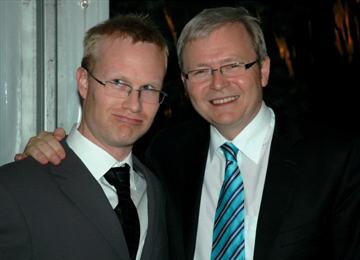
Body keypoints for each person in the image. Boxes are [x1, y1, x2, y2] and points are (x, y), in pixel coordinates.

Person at [15, 6, 360, 260]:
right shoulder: (168, 154)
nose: (218, 82)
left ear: (264, 70)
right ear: (184, 84)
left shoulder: (335, 159)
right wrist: (47, 153)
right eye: (200, 71)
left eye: (232, 65)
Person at [1, 14, 169, 260]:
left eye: (149, 88)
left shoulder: (155, 189)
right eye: (119, 83)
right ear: (83, 82)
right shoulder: (12, 189)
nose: (134, 104)